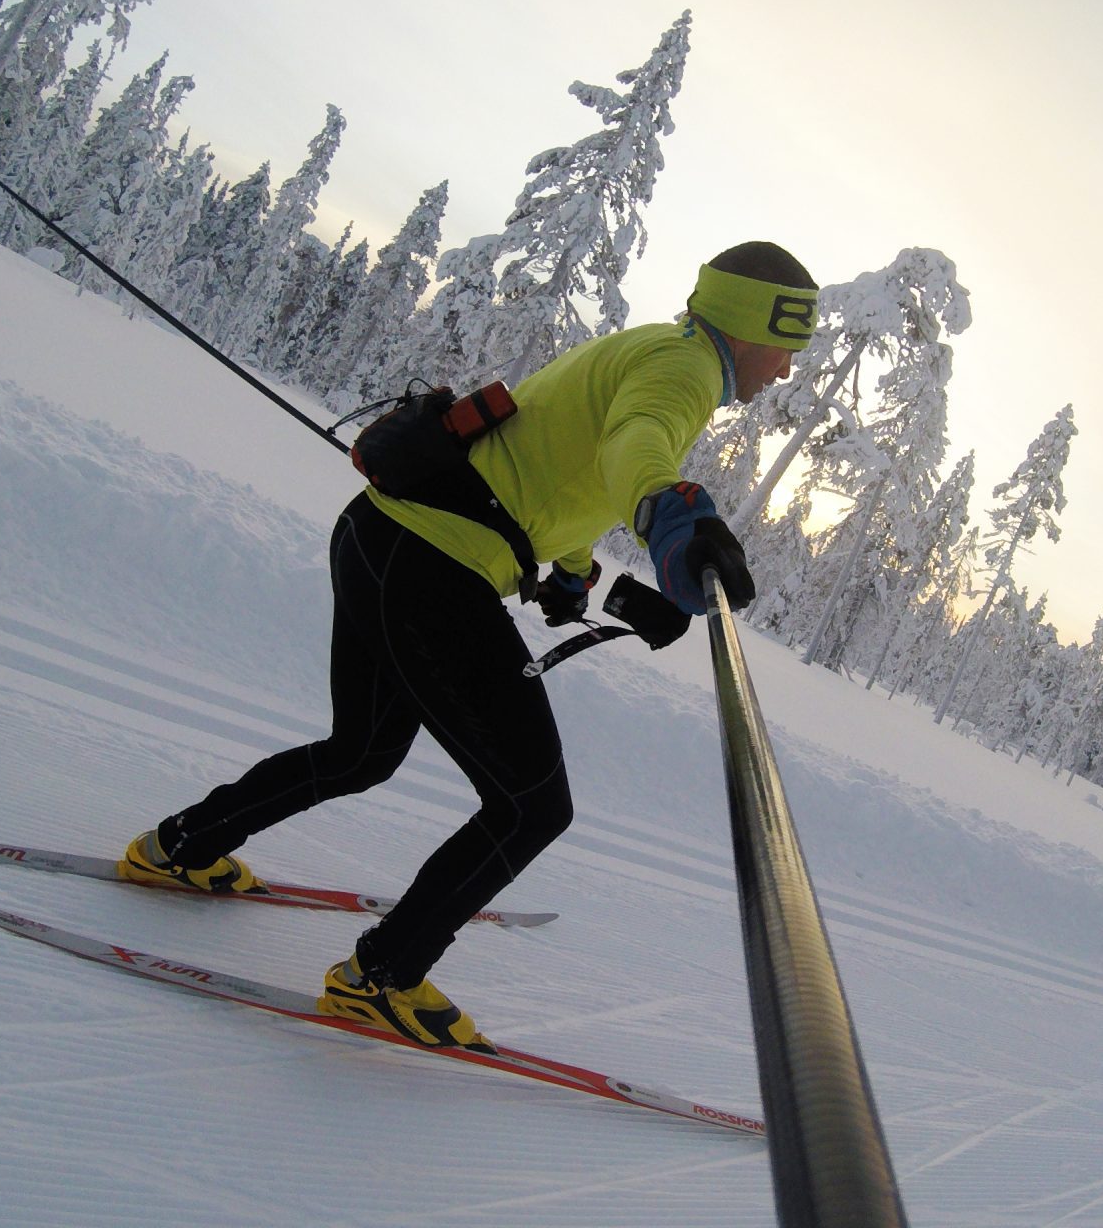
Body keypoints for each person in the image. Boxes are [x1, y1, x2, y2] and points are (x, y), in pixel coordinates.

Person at [117, 241, 818, 1049]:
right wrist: (671, 513)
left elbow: (567, 455)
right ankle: (382, 976)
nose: (787, 373)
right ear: (752, 325)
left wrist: (573, 570)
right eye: (787, 350)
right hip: (431, 568)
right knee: (531, 805)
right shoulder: (684, 372)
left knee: (362, 752)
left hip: (383, 539)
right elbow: (637, 443)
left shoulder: (656, 349)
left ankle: (180, 847)